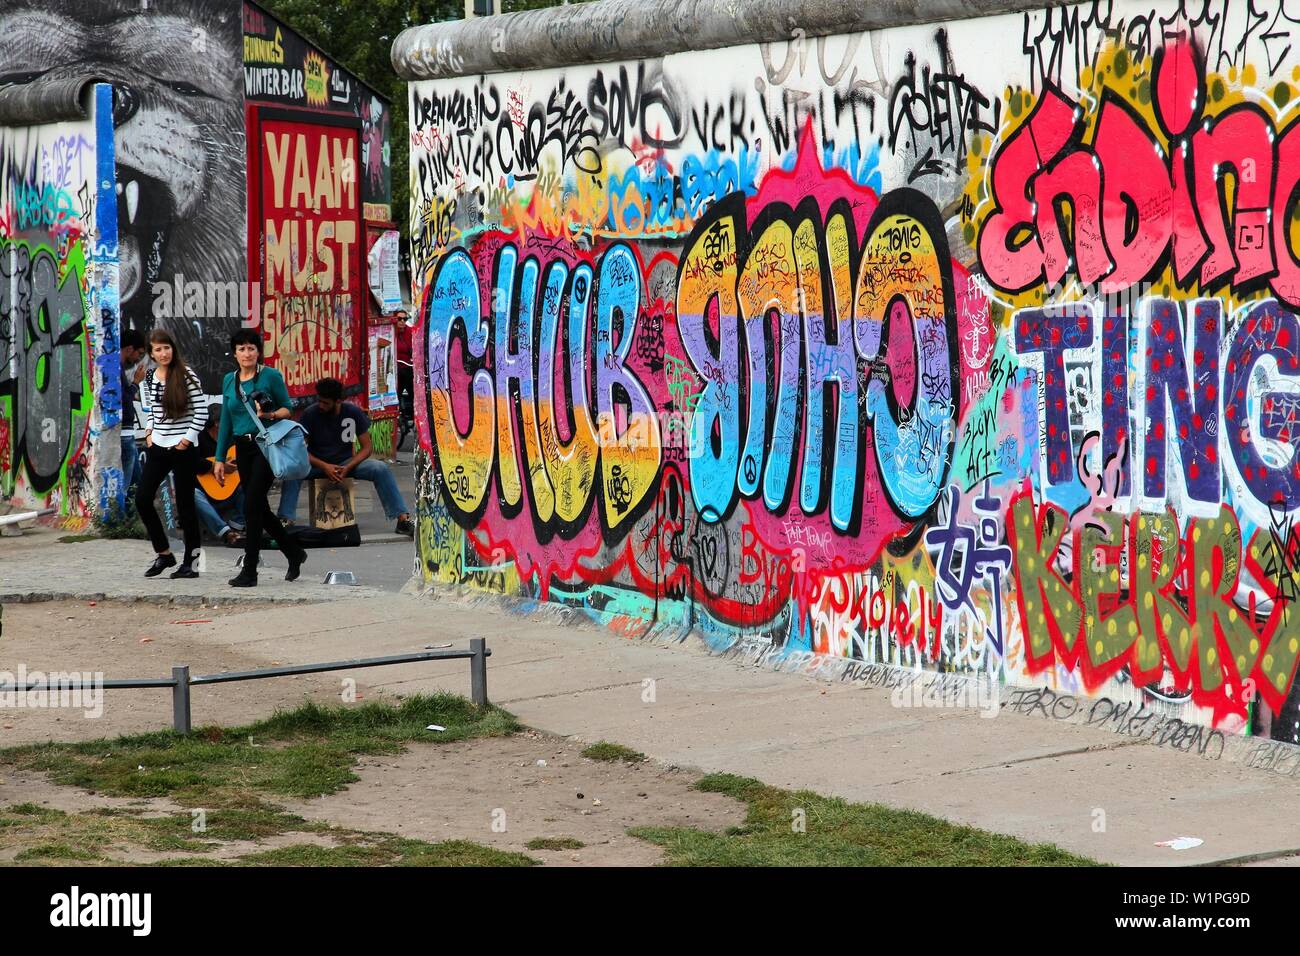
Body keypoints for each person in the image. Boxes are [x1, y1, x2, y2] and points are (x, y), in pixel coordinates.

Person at [213, 329, 307, 587]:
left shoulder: (271, 376)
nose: (247, 353)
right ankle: (293, 552)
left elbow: (288, 408)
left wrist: (270, 415)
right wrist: (220, 457)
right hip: (242, 449)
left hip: (266, 446)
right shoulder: (229, 380)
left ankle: (250, 569)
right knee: (259, 508)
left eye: (251, 348)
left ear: (258, 352)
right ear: (234, 353)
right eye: (241, 349)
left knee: (251, 504)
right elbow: (227, 421)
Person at [276, 377, 414, 537]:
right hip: (317, 465)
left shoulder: (352, 412)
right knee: (292, 471)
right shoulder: (310, 414)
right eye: (319, 401)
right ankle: (286, 519)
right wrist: (324, 466)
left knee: (380, 468)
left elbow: (367, 448)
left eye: (326, 403)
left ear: (338, 401)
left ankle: (402, 519)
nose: (321, 405)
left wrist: (348, 466)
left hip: (345, 464)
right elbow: (300, 451)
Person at [136, 328, 207, 578]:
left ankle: (193, 564)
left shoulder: (186, 375)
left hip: (183, 449)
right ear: (151, 353)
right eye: (158, 349)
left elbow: (202, 413)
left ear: (173, 348)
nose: (163, 353)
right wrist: (148, 433)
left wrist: (185, 441)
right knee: (142, 499)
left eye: (167, 347)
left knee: (186, 506)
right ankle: (164, 555)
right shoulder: (151, 377)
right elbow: (153, 412)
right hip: (158, 446)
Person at [194, 403, 246, 548]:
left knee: (249, 483)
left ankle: (238, 526)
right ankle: (225, 532)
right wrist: (216, 466)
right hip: (206, 492)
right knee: (192, 494)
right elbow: (192, 462)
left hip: (230, 490)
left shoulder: (234, 437)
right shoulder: (198, 438)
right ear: (216, 423)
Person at [119, 330, 148, 495]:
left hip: (128, 434)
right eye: (139, 353)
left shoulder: (118, 367)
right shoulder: (116, 368)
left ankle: (131, 518)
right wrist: (136, 383)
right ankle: (119, 518)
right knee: (125, 487)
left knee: (136, 486)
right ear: (130, 349)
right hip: (125, 435)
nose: (139, 358)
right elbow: (124, 399)